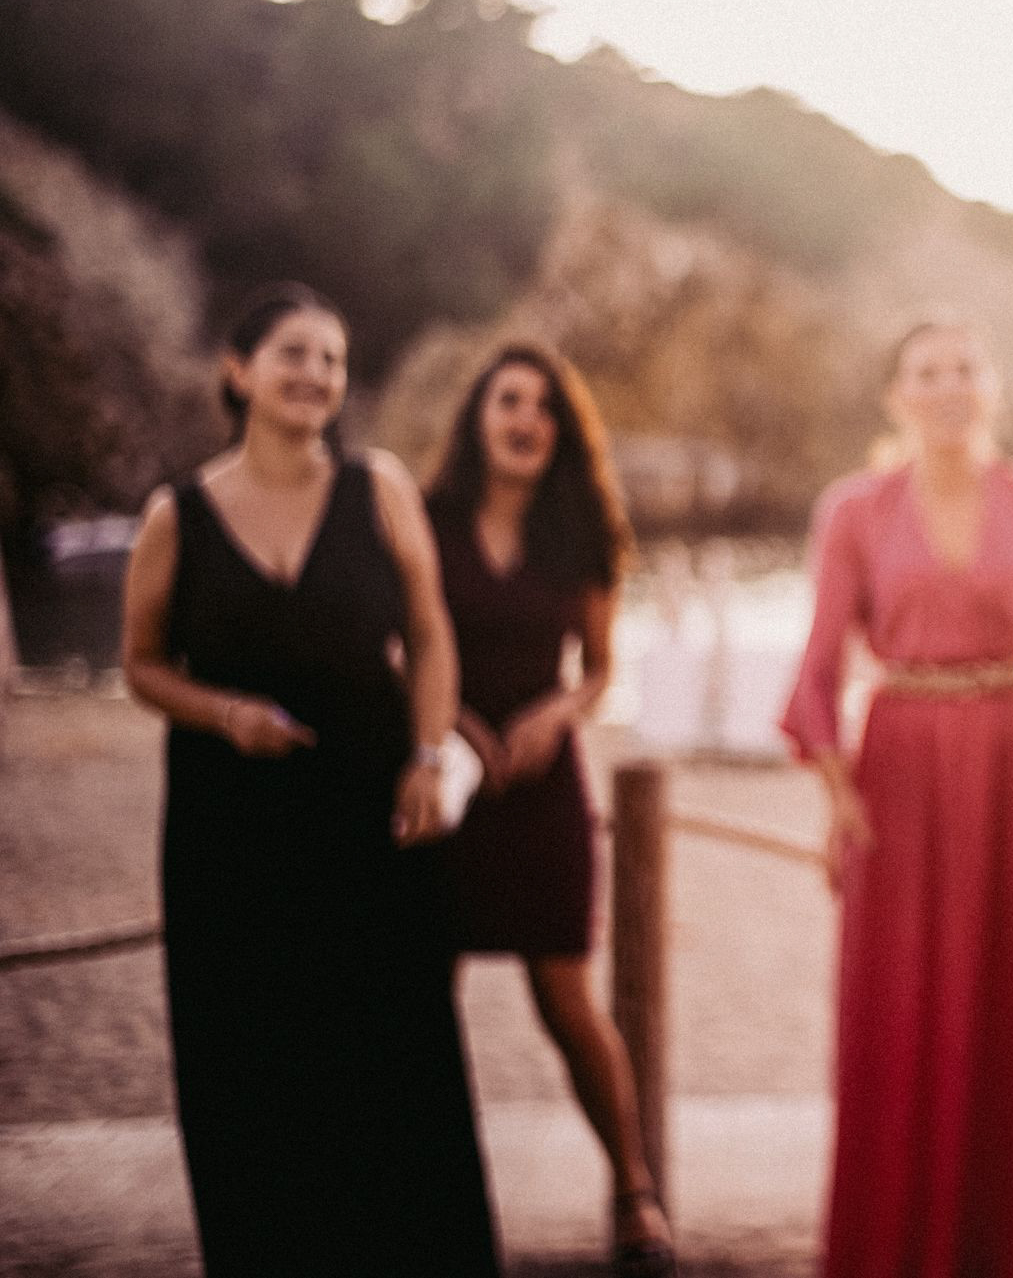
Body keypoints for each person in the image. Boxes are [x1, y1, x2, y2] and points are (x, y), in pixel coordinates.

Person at [118, 282, 502, 1275]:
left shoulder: (379, 489)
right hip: (229, 826)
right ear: (238, 371)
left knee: (396, 1055)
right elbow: (142, 664)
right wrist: (224, 712)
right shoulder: (177, 515)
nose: (316, 374)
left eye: (332, 359)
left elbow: (430, 635)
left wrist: (427, 756)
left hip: (371, 808)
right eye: (294, 352)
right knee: (251, 1061)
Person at [779, 317, 1013, 1278]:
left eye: (964, 368)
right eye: (925, 372)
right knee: (895, 1008)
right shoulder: (853, 509)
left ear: (992, 386)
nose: (946, 387)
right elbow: (817, 666)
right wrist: (834, 783)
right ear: (896, 397)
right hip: (894, 771)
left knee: (1012, 1011)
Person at [424, 343, 671, 1277]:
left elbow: (600, 670)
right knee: (420, 994)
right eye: (509, 401)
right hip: (441, 781)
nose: (527, 419)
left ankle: (634, 1191)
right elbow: (397, 643)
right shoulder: (425, 517)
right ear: (478, 416)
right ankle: (419, 1193)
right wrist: (449, 722)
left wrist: (554, 713)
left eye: (545, 407)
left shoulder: (583, 531)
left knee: (566, 999)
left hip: (541, 788)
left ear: (563, 431)